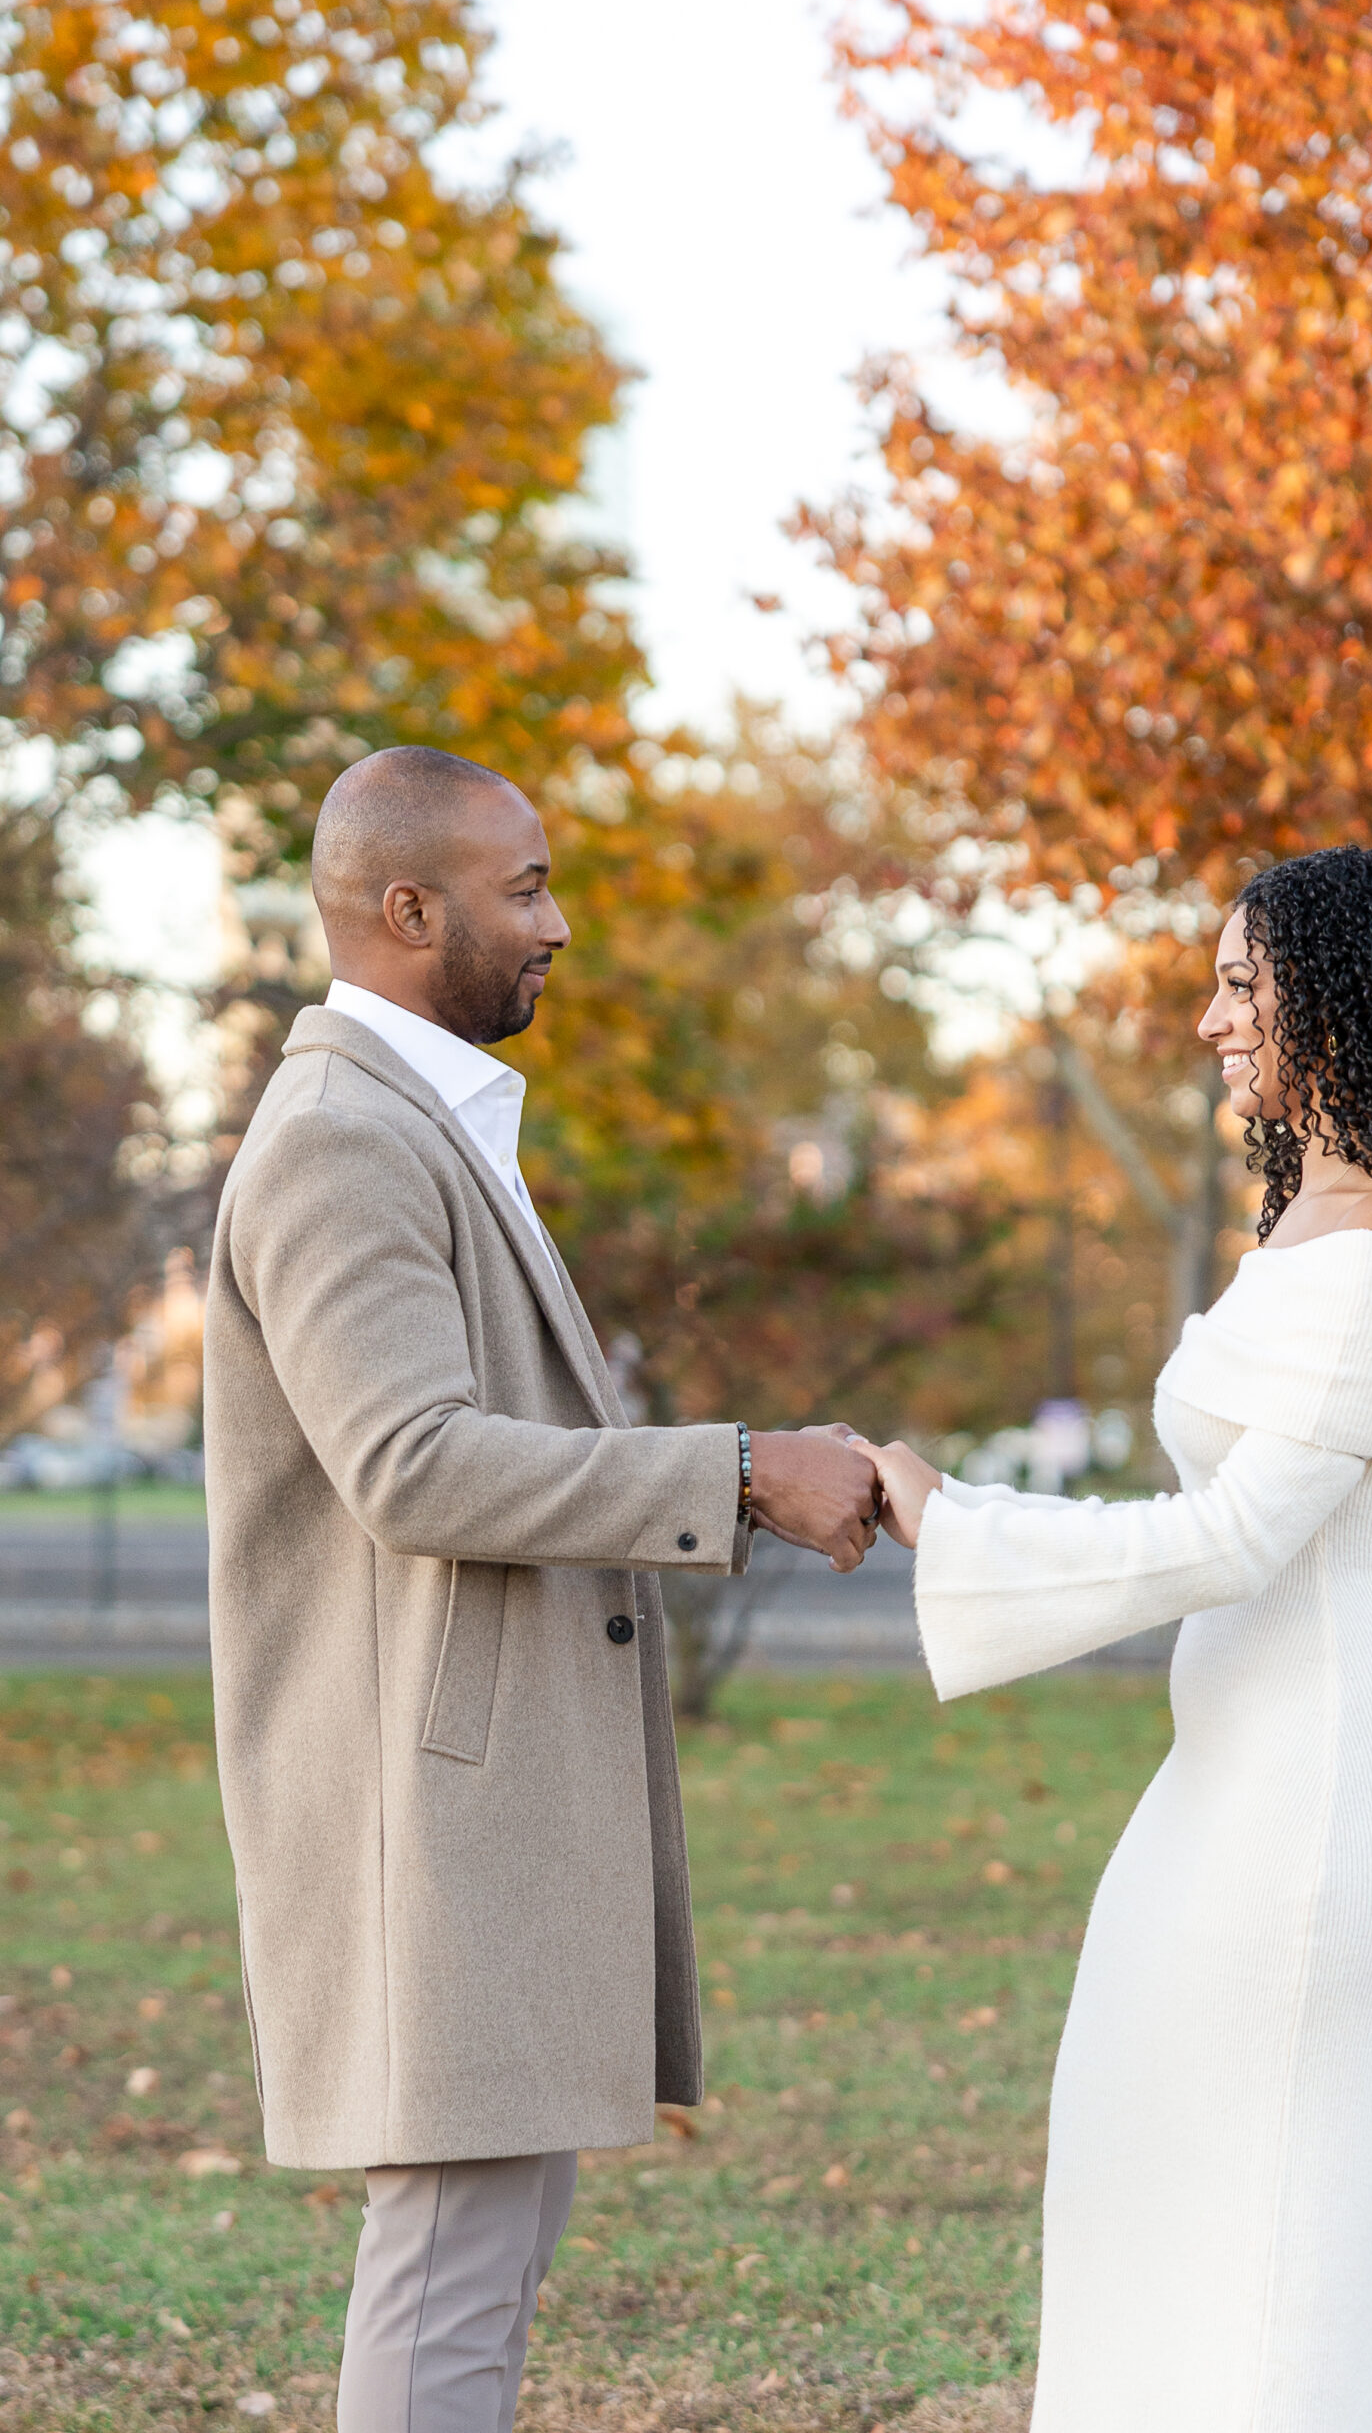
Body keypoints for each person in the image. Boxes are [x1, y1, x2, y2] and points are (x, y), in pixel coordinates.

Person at [203, 746, 881, 2433]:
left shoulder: (418, 1121)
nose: (557, 924)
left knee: (481, 2257)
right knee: (447, 2268)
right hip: (425, 1810)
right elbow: (415, 1464)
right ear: (405, 907)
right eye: (524, 889)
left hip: (470, 1809)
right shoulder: (341, 1141)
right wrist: (733, 1470)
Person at [854, 847, 1372, 2433]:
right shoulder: (1327, 1223)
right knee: (1145, 2168)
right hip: (1236, 1779)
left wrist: (943, 1519)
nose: (1206, 1020)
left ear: (1346, 1000)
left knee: (1262, 2230)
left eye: (1242, 984)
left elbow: (1232, 1538)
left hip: (1317, 1803)